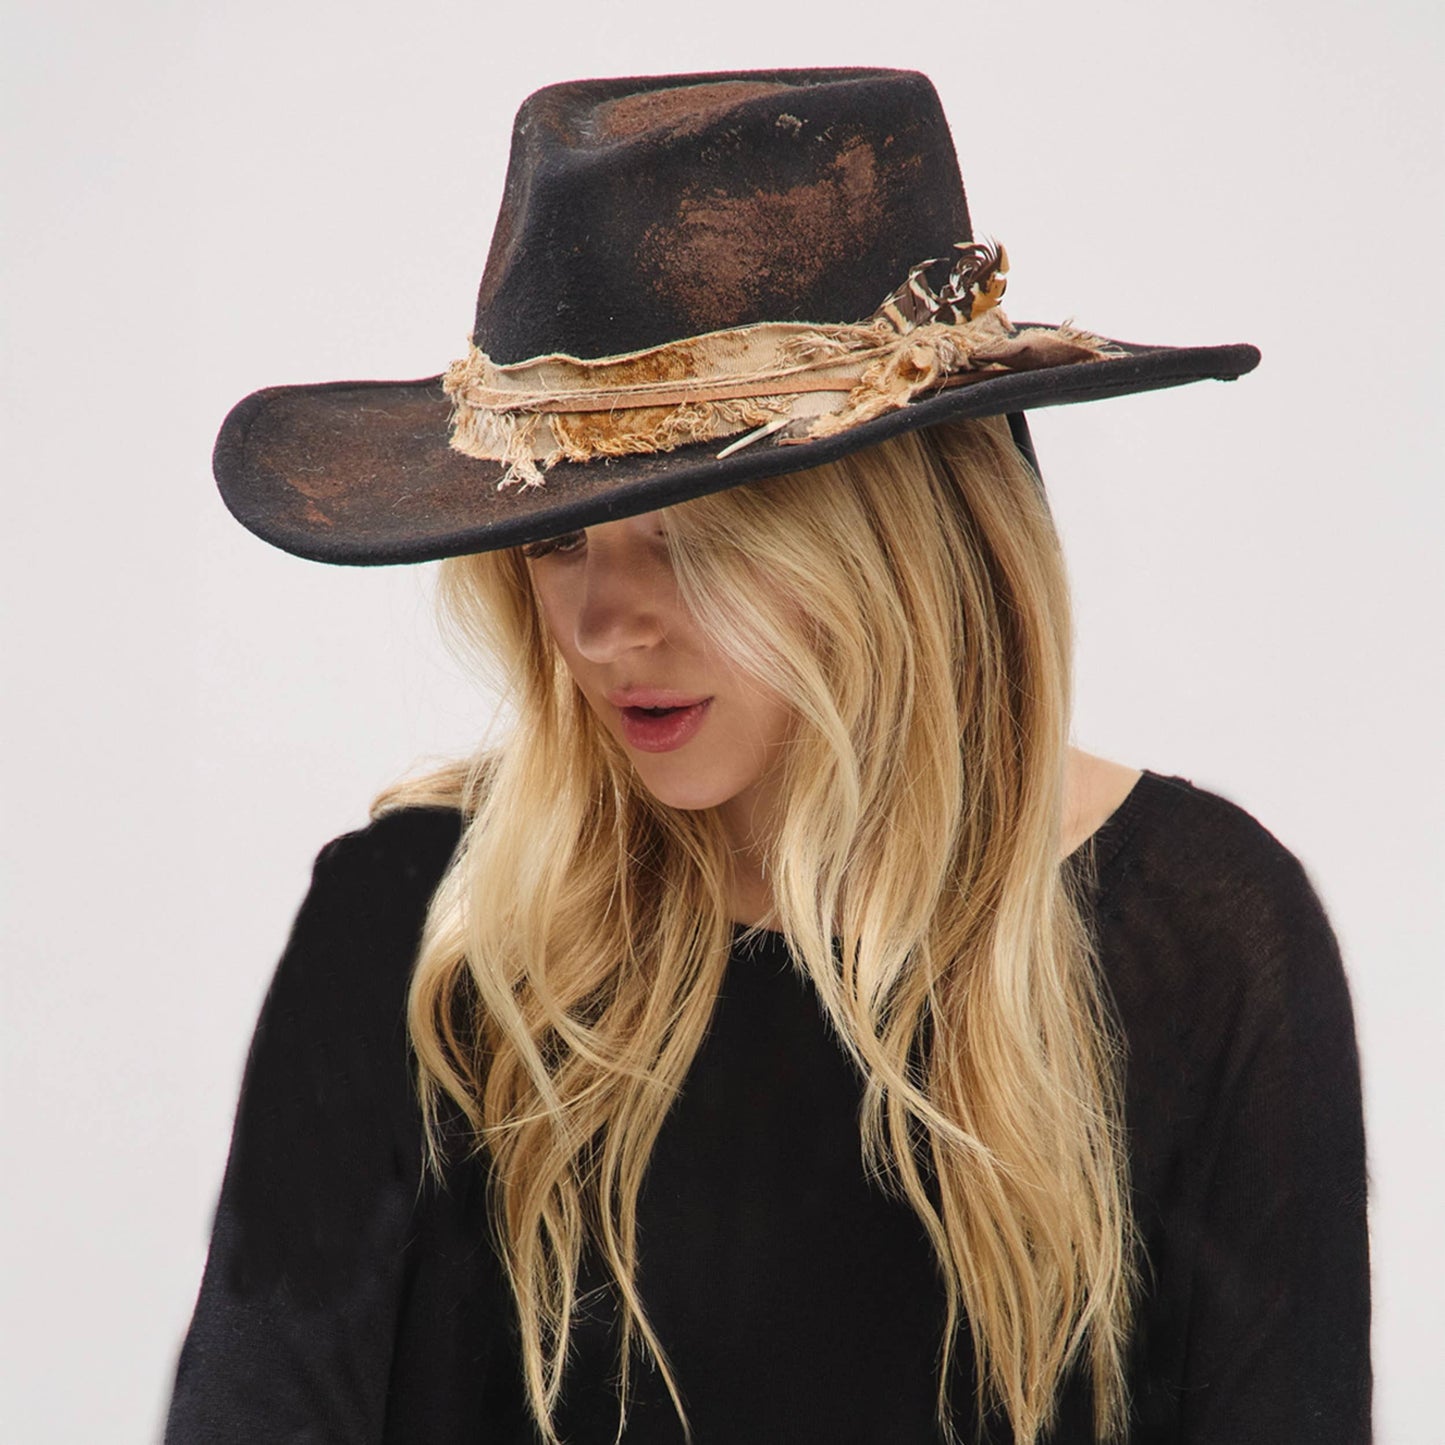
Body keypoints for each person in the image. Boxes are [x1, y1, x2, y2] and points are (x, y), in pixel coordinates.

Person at [163, 68, 1371, 1444]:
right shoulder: (418, 935)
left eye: (696, 529)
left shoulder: (1198, 944)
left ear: (889, 540)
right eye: (556, 534)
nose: (607, 623)